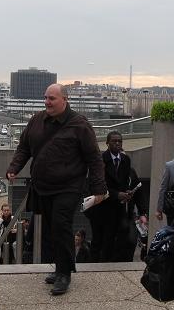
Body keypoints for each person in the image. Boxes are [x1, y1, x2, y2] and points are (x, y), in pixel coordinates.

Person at [7, 84, 106, 296]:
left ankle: (64, 273)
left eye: (51, 98)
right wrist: (14, 168)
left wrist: (99, 189)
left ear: (64, 100)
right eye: (45, 98)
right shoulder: (36, 120)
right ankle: (59, 267)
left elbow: (94, 158)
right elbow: (24, 147)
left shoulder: (80, 124)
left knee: (61, 225)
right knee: (51, 230)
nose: (47, 102)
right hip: (43, 187)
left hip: (68, 187)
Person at [88, 131, 147, 262]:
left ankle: (111, 263)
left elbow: (127, 183)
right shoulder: (100, 160)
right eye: (114, 141)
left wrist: (127, 193)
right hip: (102, 206)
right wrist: (117, 194)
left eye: (119, 141)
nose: (117, 143)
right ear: (107, 143)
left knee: (117, 238)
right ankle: (95, 264)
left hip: (119, 208)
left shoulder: (125, 160)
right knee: (99, 239)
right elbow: (96, 185)